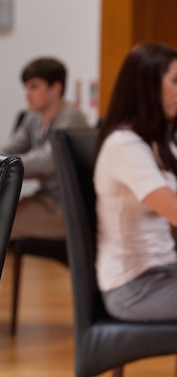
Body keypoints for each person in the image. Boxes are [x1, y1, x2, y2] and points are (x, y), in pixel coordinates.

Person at [94, 42, 177, 321]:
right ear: (148, 86)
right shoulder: (124, 146)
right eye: (175, 81)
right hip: (134, 288)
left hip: (164, 273)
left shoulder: (159, 142)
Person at [0, 57, 88, 239]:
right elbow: (11, 147)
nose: (27, 93)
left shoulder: (71, 117)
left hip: (67, 208)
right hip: (44, 199)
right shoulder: (34, 117)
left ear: (56, 88)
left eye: (34, 86)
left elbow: (46, 163)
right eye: (26, 87)